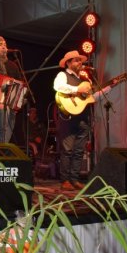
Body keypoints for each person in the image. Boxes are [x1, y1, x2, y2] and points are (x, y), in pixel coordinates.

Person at [53, 50, 112, 191]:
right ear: (68, 63)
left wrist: (109, 88)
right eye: (76, 60)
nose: (80, 63)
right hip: (68, 118)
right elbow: (57, 87)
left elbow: (91, 99)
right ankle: (65, 180)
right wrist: (77, 89)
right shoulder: (63, 75)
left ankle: (74, 179)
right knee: (67, 150)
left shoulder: (85, 81)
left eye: (80, 60)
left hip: (83, 118)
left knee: (79, 151)